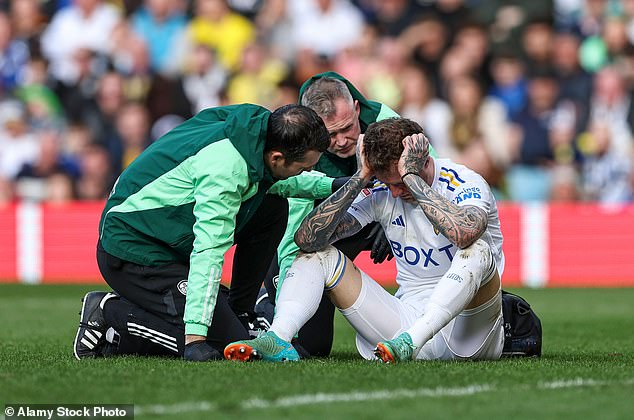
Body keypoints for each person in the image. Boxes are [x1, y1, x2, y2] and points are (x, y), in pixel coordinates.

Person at [226, 117, 505, 363]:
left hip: (471, 331)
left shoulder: (466, 181)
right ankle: (278, 337)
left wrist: (412, 179)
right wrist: (360, 178)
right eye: (390, 184)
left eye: (401, 183)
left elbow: (465, 232)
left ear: (425, 161)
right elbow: (307, 239)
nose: (395, 193)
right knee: (317, 254)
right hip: (404, 323)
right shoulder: (382, 188)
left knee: (478, 250)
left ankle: (412, 341)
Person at [73, 103, 333, 362]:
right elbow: (208, 252)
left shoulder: (255, 130)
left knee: (272, 205)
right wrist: (195, 338)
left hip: (164, 243)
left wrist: (332, 185)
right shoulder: (225, 171)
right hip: (133, 252)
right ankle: (109, 312)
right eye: (304, 168)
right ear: (277, 157)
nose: (306, 173)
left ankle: (241, 312)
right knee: (229, 347)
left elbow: (281, 180)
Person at [261, 72, 437, 358]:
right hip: (331, 226)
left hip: (392, 210)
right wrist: (287, 296)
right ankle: (267, 306)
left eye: (348, 128)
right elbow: (295, 234)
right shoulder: (300, 144)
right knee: (313, 347)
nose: (343, 141)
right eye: (330, 135)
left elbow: (432, 178)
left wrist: (391, 217)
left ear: (357, 109)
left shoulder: (385, 122)